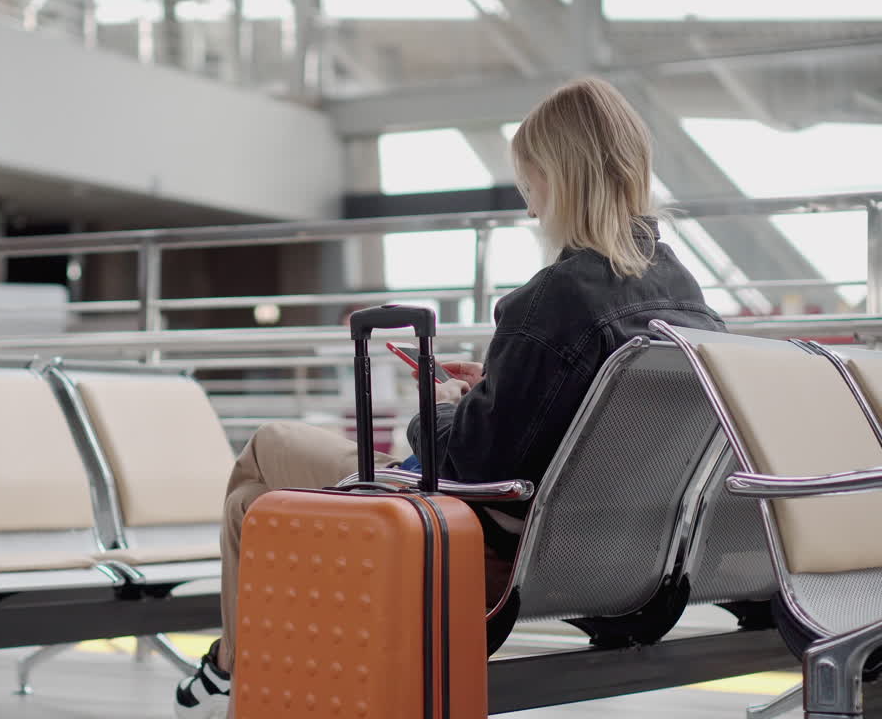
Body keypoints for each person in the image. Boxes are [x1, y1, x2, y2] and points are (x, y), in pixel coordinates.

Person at [173, 76, 727, 719]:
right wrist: (490, 388)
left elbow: (466, 465)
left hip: (482, 548)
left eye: (531, 188)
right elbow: (577, 424)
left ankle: (230, 671)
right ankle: (236, 677)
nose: (530, 210)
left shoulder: (550, 300)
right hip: (614, 561)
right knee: (253, 505)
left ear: (559, 177)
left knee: (266, 454)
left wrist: (438, 400)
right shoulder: (687, 297)